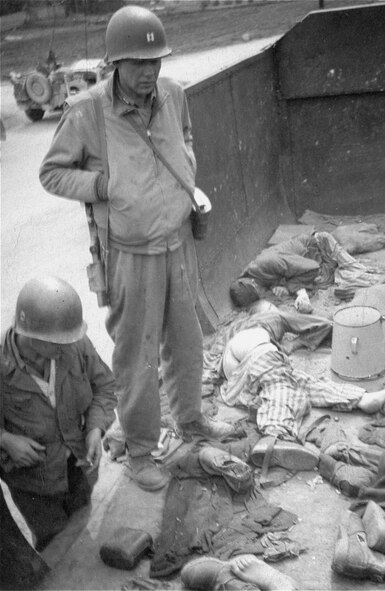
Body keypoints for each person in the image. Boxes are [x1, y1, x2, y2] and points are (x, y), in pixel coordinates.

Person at [39, 6, 234, 492]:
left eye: (156, 61)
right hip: (129, 254)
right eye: (139, 63)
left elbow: (184, 138)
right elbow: (51, 173)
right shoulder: (87, 112)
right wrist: (105, 184)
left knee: (187, 343)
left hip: (178, 242)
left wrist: (186, 170)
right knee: (138, 358)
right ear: (115, 63)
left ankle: (191, 423)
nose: (150, 72)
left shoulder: (173, 94)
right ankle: (143, 451)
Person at [0, 277, 117, 551]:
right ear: (29, 334)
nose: (65, 348)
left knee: (81, 531)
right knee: (54, 547)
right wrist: (5, 439)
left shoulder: (72, 343)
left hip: (79, 467)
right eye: (56, 342)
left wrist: (95, 429)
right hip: (34, 485)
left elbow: (105, 386)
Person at [218, 304, 385, 469]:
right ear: (268, 308)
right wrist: (294, 344)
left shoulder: (237, 328)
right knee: (281, 385)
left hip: (235, 373)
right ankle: (274, 435)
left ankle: (362, 399)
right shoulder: (272, 316)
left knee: (302, 383)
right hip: (254, 349)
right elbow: (324, 324)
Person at [229, 231, 385, 313]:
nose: (263, 293)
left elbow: (311, 267)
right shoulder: (256, 275)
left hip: (322, 247)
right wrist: (279, 286)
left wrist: (298, 292)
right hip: (314, 259)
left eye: (259, 292)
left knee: (358, 278)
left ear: (253, 284)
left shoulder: (267, 262)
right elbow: (280, 276)